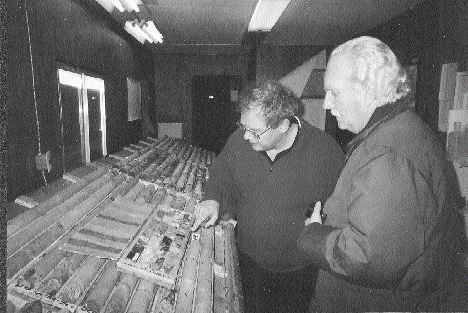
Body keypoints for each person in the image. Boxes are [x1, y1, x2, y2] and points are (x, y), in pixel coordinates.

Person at [297, 36, 467, 312]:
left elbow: (370, 256)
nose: (327, 104)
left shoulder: (390, 151)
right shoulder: (391, 133)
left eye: (334, 92)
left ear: (366, 90)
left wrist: (313, 234)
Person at [192, 80, 345, 312]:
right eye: (243, 126)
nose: (245, 136)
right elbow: (221, 173)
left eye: (254, 131)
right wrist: (212, 197)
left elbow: (342, 208)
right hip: (249, 263)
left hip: (298, 270)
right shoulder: (239, 141)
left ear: (283, 125)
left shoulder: (325, 151)